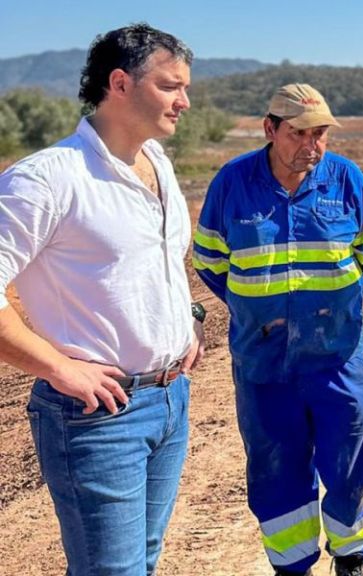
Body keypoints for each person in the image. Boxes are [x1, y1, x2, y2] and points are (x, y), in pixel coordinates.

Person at [0, 23, 202, 576]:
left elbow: (156, 264)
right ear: (120, 83)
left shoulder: (157, 163)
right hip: (97, 416)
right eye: (170, 86)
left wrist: (190, 317)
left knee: (142, 562)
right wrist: (61, 369)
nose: (184, 101)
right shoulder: (48, 178)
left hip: (169, 402)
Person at [193, 83, 363, 576]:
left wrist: (325, 309)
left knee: (350, 462)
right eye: (300, 132)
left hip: (338, 359)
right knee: (276, 471)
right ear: (270, 129)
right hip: (263, 365)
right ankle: (292, 565)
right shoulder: (232, 184)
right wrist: (258, 309)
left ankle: (352, 559)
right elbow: (211, 263)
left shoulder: (346, 180)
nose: (313, 144)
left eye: (321, 132)